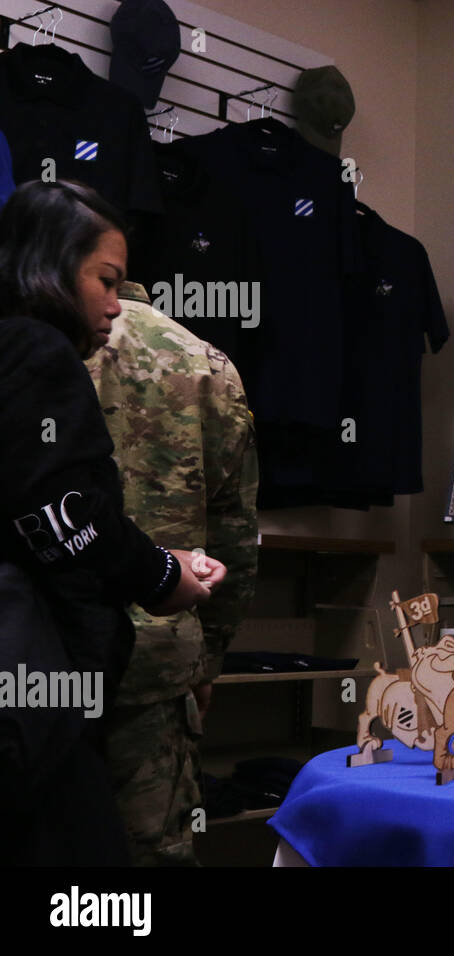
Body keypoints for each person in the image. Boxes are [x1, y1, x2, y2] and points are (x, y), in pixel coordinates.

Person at [0, 180, 224, 864]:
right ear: (50, 265)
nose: (115, 304)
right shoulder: (37, 353)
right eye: (105, 279)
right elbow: (62, 517)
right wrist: (164, 573)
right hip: (38, 691)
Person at [86, 279, 259, 865]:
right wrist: (208, 658)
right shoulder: (201, 360)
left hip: (35, 658)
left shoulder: (27, 344)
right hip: (156, 660)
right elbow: (235, 530)